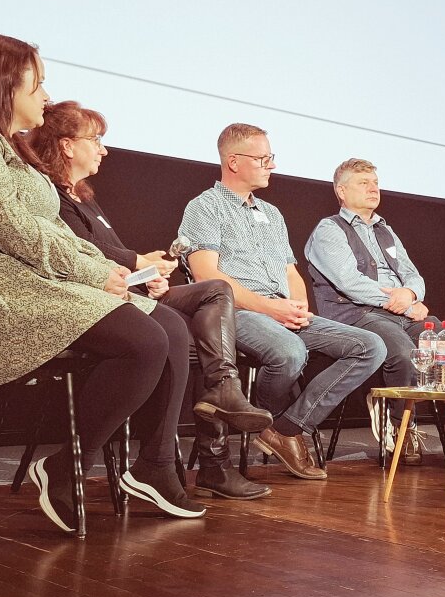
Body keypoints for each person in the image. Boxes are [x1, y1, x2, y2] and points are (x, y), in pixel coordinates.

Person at [0, 34, 204, 533]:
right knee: (145, 340)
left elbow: (48, 230)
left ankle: (156, 463)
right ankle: (66, 468)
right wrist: (96, 272)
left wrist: (119, 274)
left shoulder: (3, 144)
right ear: (4, 85)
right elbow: (14, 227)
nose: (45, 95)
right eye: (38, 84)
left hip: (36, 284)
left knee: (172, 326)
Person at [26, 101, 273, 500]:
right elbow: (78, 253)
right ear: (68, 146)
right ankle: (174, 456)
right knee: (176, 327)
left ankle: (221, 390)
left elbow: (106, 254)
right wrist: (137, 268)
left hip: (126, 292)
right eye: (97, 140)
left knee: (216, 290)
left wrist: (148, 278)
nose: (104, 150)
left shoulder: (86, 198)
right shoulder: (50, 197)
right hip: (91, 302)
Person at [178, 125, 387, 480]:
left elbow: (290, 272)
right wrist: (268, 307)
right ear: (233, 161)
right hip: (235, 311)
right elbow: (207, 277)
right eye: (262, 158)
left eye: (270, 158)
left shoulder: (271, 213)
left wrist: (297, 306)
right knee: (290, 352)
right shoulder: (205, 207)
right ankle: (281, 432)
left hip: (281, 310)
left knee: (370, 346)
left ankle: (284, 429)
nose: (270, 165)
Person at [305, 158, 445, 465]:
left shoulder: (386, 231)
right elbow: (349, 282)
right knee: (406, 352)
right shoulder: (329, 230)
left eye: (375, 182)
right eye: (363, 182)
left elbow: (414, 276)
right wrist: (402, 302)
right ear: (341, 191)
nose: (373, 188)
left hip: (401, 313)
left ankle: (391, 396)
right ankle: (401, 423)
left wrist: (410, 293)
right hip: (357, 314)